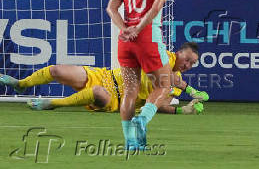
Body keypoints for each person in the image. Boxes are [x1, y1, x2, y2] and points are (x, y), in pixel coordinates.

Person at [0, 43, 207, 114]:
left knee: (98, 93)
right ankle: (21, 84)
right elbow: (161, 72)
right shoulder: (165, 58)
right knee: (56, 71)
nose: (187, 65)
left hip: (116, 99)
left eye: (192, 64)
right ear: (179, 53)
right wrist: (189, 89)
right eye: (187, 59)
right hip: (105, 76)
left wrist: (183, 110)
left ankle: (53, 104)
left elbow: (158, 105)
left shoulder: (175, 85)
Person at [106, 0, 176, 149]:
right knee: (163, 85)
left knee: (129, 91)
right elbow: (154, 10)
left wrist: (125, 29)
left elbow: (111, 9)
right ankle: (142, 119)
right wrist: (138, 28)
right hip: (147, 40)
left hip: (126, 43)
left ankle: (130, 142)